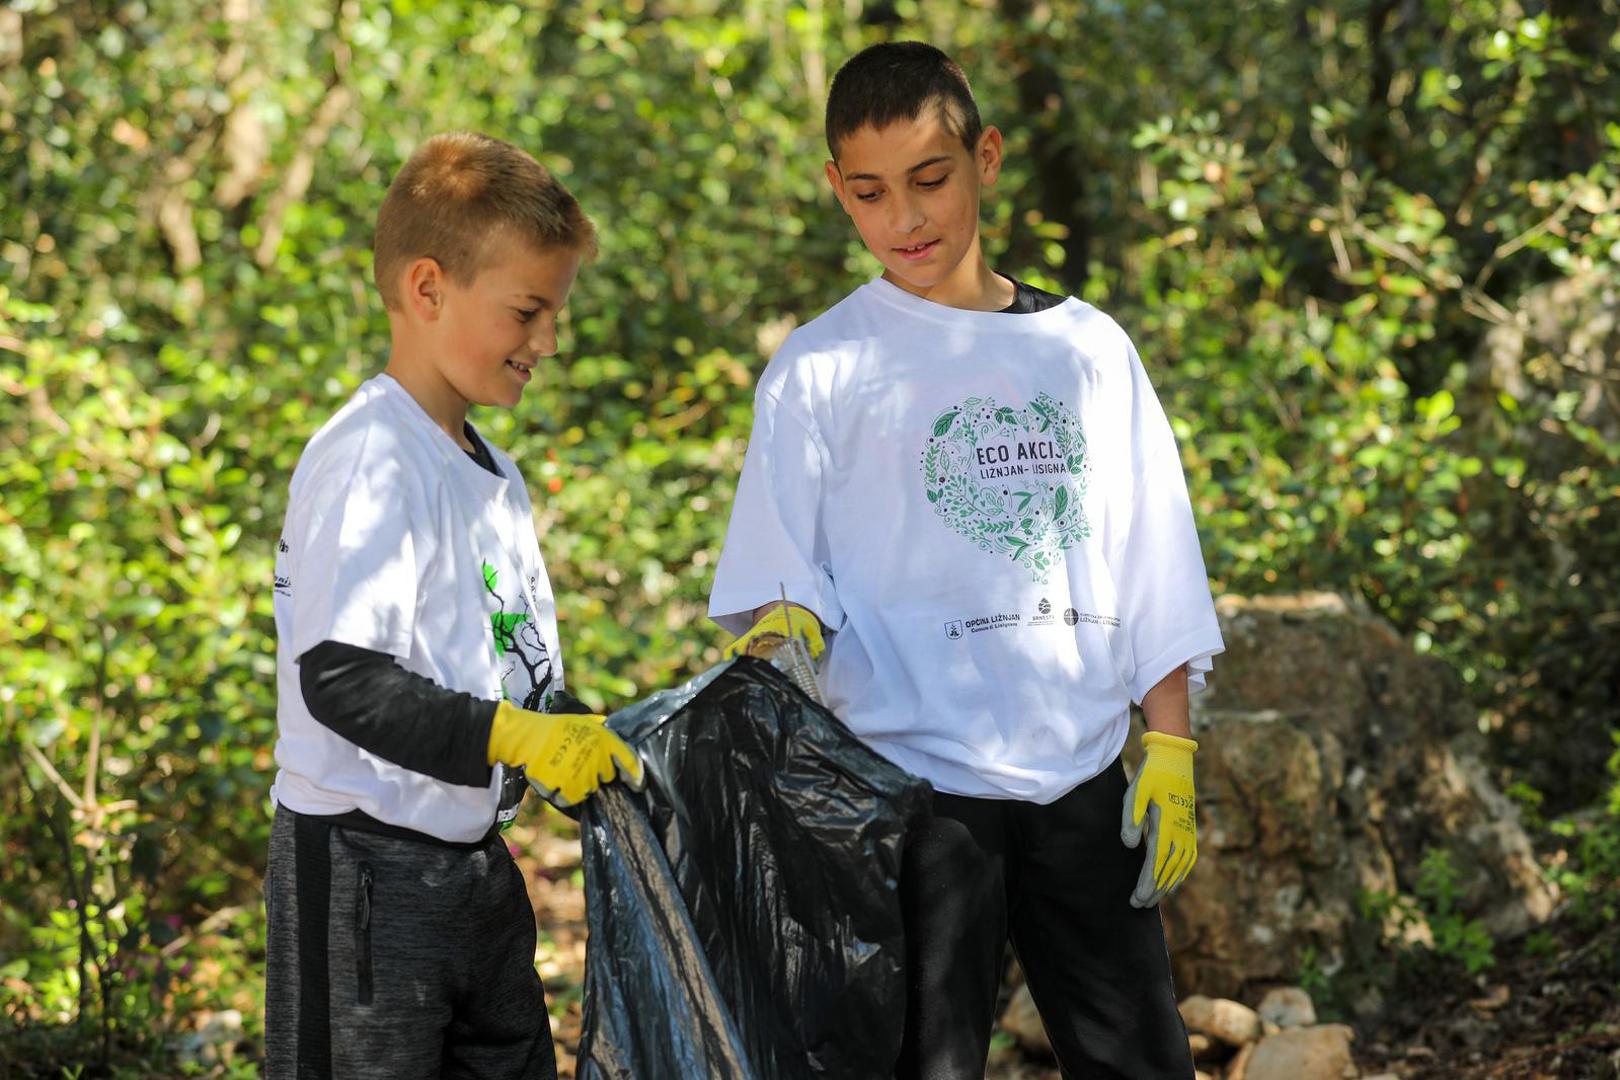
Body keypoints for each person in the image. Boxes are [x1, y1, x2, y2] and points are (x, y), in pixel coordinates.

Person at [708, 42, 1223, 1079]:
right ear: (836, 191)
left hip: (1081, 772)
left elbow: (1154, 557)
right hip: (911, 795)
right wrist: (786, 631)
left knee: (1140, 1058)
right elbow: (778, 579)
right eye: (871, 191)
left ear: (984, 158)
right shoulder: (821, 366)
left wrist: (1168, 751)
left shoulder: (1087, 350)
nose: (905, 218)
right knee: (924, 1063)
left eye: (930, 179)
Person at [265, 131, 643, 1080]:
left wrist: (570, 733)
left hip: (472, 865)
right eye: (527, 310)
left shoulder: (490, 470)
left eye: (555, 311)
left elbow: (498, 659)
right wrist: (514, 737)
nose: (549, 341)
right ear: (428, 290)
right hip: (364, 876)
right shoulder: (371, 459)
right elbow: (342, 680)